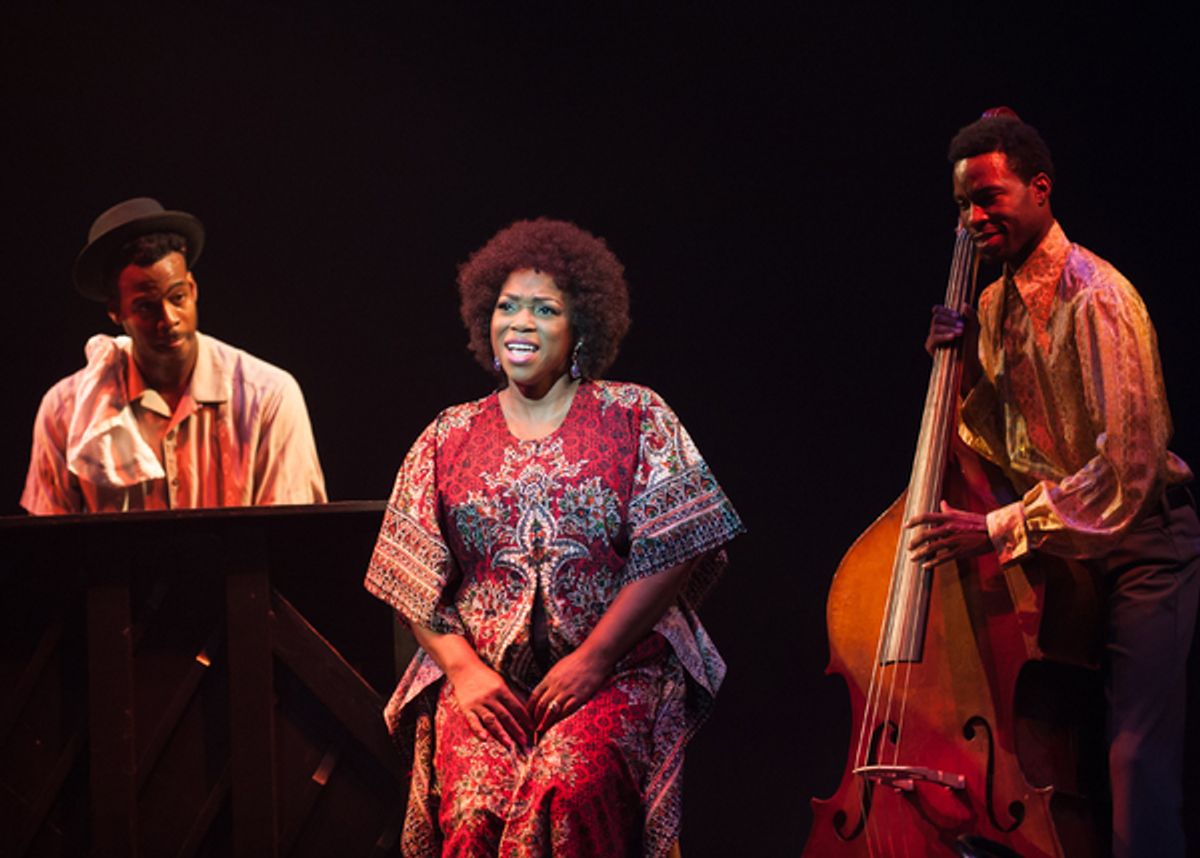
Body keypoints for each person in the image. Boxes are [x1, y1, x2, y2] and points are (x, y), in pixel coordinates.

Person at [364, 218, 743, 857]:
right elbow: (406, 569)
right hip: (483, 685)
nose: (520, 322)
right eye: (507, 306)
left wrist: (595, 657)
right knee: (476, 806)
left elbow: (682, 539)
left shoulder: (635, 415)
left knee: (564, 790)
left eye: (544, 309)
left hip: (613, 672)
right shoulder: (448, 435)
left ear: (580, 329)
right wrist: (464, 672)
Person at [909, 112, 1200, 858]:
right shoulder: (997, 305)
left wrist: (998, 529)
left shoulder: (1097, 296)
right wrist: (958, 367)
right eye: (963, 204)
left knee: (1134, 758)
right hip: (1063, 543)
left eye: (990, 197)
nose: (974, 217)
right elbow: (1008, 447)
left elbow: (1126, 468)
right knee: (1042, 744)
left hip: (1141, 543)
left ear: (1040, 190)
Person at [21, 197, 327, 513]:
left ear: (193, 289)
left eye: (177, 297)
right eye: (146, 307)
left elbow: (290, 541)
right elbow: (48, 549)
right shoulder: (64, 412)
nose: (168, 319)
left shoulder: (268, 398)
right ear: (115, 310)